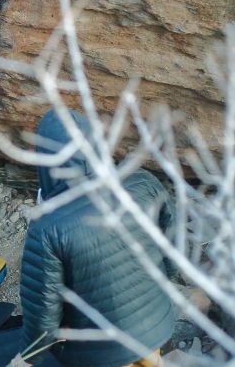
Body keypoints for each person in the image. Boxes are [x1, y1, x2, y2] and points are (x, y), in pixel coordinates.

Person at [20, 109, 176, 367]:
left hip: (101, 351)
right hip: (156, 323)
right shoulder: (144, 183)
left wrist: (28, 357)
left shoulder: (47, 228)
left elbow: (43, 317)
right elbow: (174, 251)